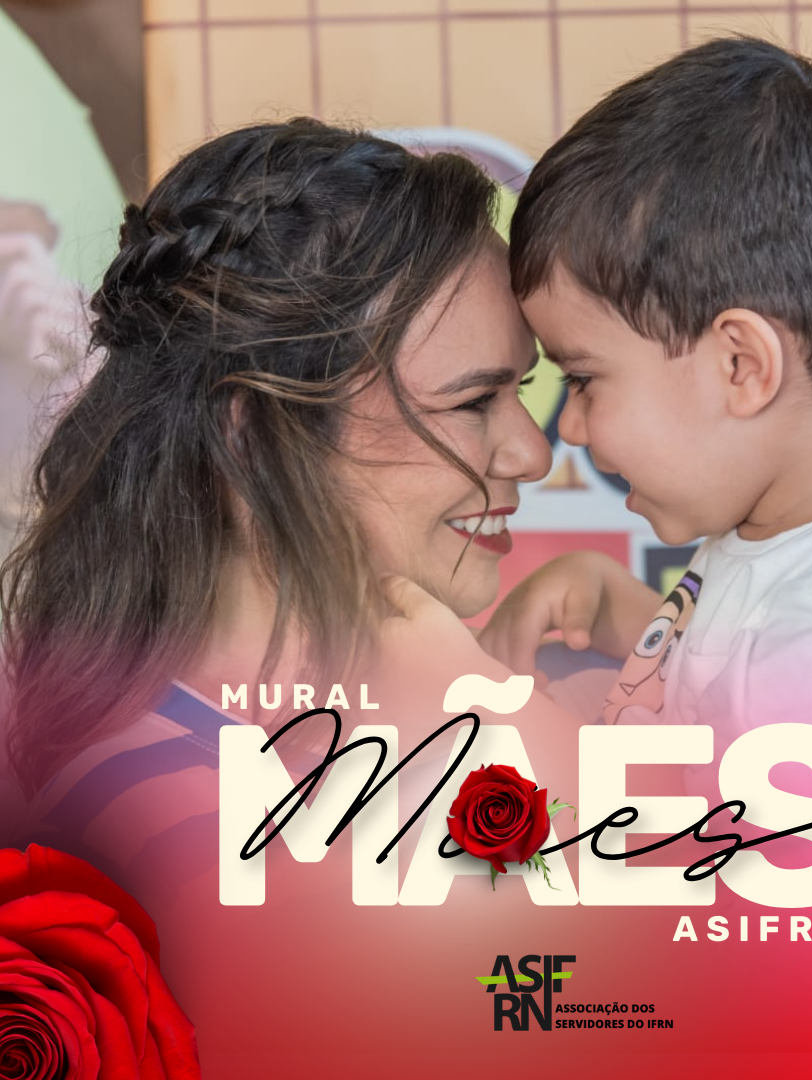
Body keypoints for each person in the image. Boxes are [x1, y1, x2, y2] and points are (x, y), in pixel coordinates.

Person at [1, 118, 565, 898]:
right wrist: (501, 731)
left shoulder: (340, 738)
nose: (533, 453)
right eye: (474, 402)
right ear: (254, 440)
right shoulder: (155, 823)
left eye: (522, 390)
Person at [481, 36, 812, 837]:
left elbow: (736, 883)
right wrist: (619, 604)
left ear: (742, 365)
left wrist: (507, 736)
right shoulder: (791, 543)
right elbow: (737, 676)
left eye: (583, 378)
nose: (572, 428)